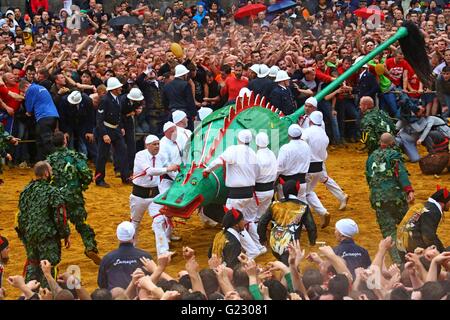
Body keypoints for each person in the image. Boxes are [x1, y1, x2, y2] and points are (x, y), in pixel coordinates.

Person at [203, 129, 262, 259]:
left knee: (233, 223)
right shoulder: (253, 152)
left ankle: (252, 250)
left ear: (238, 139)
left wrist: (207, 170)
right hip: (249, 193)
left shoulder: (233, 150)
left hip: (236, 195)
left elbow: (219, 161)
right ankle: (257, 246)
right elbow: (258, 171)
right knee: (246, 220)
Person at [47, 132, 100, 264]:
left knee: (54, 225)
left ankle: (51, 256)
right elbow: (86, 174)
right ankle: (90, 247)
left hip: (55, 198)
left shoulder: (49, 160)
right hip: (73, 196)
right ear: (65, 141)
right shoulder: (74, 156)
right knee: (81, 223)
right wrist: (82, 184)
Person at [15, 161, 70, 287]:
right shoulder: (52, 191)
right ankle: (48, 294)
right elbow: (60, 217)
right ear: (46, 173)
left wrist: (25, 236)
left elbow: (20, 216)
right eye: (50, 171)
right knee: (48, 267)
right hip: (48, 238)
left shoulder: (25, 191)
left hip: (29, 237)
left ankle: (30, 293)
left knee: (33, 265)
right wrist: (65, 234)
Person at [366, 133, 415, 264]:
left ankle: (398, 262)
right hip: (395, 197)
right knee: (407, 225)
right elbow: (401, 174)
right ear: (392, 143)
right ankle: (413, 254)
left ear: (380, 143)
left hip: (378, 199)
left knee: (389, 232)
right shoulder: (394, 155)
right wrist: (409, 190)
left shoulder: (371, 157)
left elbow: (369, 178)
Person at [130, 134, 178, 252]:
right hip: (139, 195)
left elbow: (170, 169)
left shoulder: (160, 156)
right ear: (147, 145)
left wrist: (179, 178)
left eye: (158, 144)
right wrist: (168, 169)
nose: (157, 146)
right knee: (135, 222)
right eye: (154, 144)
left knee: (159, 220)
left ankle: (163, 251)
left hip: (155, 195)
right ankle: (131, 249)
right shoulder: (140, 155)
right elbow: (150, 171)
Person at [258, 180, 317, 266]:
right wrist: (312, 242)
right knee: (291, 269)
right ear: (297, 190)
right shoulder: (303, 207)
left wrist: (263, 239)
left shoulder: (274, 204)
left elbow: (262, 223)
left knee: (286, 265)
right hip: (290, 246)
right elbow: (311, 227)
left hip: (274, 244)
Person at [97, 221, 154, 290]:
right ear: (133, 236)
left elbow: (102, 284)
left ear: (118, 237)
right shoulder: (145, 257)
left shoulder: (108, 258)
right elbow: (153, 281)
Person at [94, 77, 129, 187]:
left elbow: (119, 114)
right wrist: (104, 134)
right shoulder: (105, 100)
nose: (121, 88)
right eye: (118, 87)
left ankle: (125, 176)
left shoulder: (117, 98)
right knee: (102, 156)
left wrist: (121, 126)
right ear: (113, 89)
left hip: (116, 129)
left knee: (123, 151)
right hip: (106, 130)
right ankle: (99, 179)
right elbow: (99, 119)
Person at [397, 187, 450, 255]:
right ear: (444, 201)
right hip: (413, 248)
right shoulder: (433, 210)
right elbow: (428, 236)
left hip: (403, 246)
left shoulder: (426, 206)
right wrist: (441, 253)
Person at [302, 111, 332, 228]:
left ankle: (305, 222)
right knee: (309, 192)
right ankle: (323, 212)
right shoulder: (324, 135)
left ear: (310, 121)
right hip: (319, 167)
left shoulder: (307, 132)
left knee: (302, 194)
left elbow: (301, 146)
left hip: (308, 167)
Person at [19, 80, 59, 160]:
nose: (24, 94)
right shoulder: (41, 87)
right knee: (39, 139)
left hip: (43, 116)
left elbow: (29, 109)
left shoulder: (30, 89)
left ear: (26, 86)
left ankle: (58, 160)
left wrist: (24, 100)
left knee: (46, 140)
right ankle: (42, 160)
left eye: (23, 92)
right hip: (53, 115)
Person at [277, 124, 311, 203]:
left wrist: (274, 179)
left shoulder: (285, 148)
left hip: (287, 184)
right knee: (302, 206)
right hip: (302, 183)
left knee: (286, 208)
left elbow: (279, 167)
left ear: (289, 135)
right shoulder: (306, 146)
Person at [58, 90, 96, 160]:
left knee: (84, 142)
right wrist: (65, 131)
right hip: (69, 123)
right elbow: (62, 118)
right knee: (69, 143)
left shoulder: (87, 101)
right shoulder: (63, 101)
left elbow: (90, 117)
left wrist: (89, 131)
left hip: (83, 123)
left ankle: (83, 161)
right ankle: (70, 162)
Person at [162, 64, 196, 130]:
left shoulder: (167, 86)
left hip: (172, 114)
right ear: (184, 75)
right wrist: (193, 113)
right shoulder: (186, 85)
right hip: (185, 114)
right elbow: (190, 101)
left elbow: (164, 102)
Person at [120, 87, 144, 173]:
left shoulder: (138, 101)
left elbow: (136, 110)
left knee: (132, 146)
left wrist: (136, 112)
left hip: (130, 123)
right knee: (121, 147)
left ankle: (131, 167)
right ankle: (118, 168)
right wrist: (121, 126)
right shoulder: (122, 101)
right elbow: (118, 115)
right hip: (120, 124)